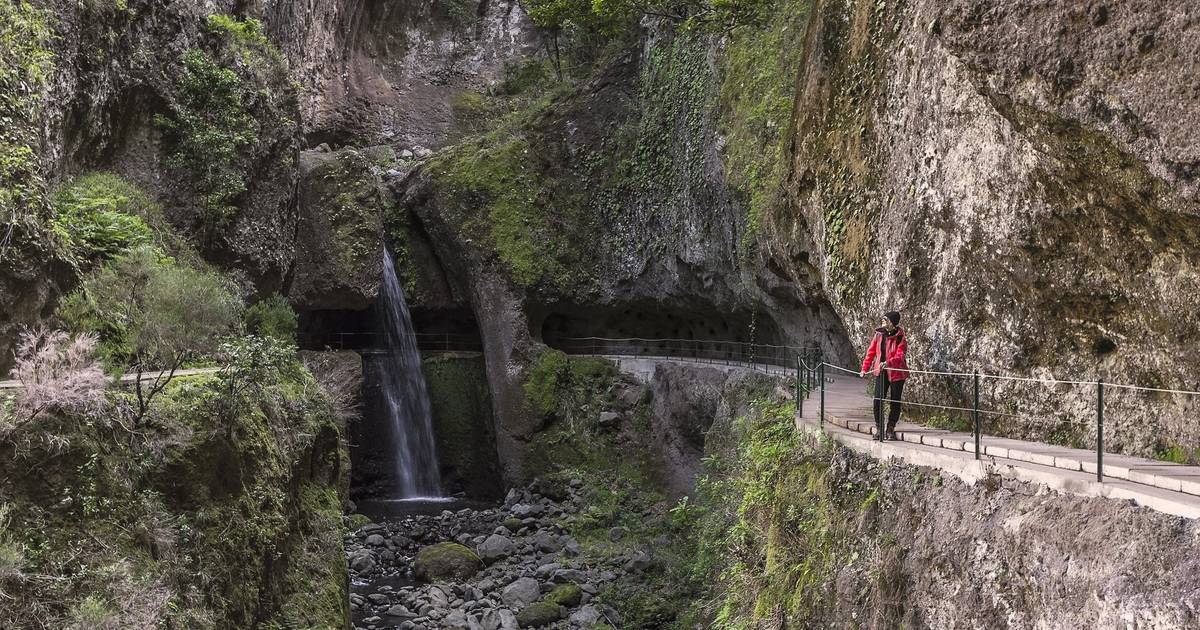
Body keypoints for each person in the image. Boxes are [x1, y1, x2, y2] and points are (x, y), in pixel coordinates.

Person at [860, 311, 908, 440]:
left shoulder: (900, 338)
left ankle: (890, 428)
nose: (882, 321)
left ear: (892, 322)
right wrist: (864, 369)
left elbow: (900, 356)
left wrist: (888, 362)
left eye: (885, 319)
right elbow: (870, 353)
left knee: (895, 401)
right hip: (881, 372)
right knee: (877, 401)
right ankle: (879, 428)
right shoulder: (879, 335)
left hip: (897, 372)